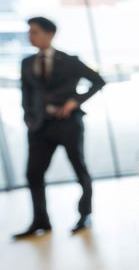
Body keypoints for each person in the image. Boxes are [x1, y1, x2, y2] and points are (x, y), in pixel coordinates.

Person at [14, 16, 105, 239]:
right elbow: (26, 93)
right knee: (33, 174)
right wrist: (28, 117)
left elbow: (98, 81)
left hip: (68, 125)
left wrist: (75, 101)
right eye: (29, 32)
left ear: (50, 34)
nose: (30, 36)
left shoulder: (70, 60)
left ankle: (85, 215)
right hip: (39, 127)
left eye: (34, 32)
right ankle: (40, 221)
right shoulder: (26, 63)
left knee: (79, 169)